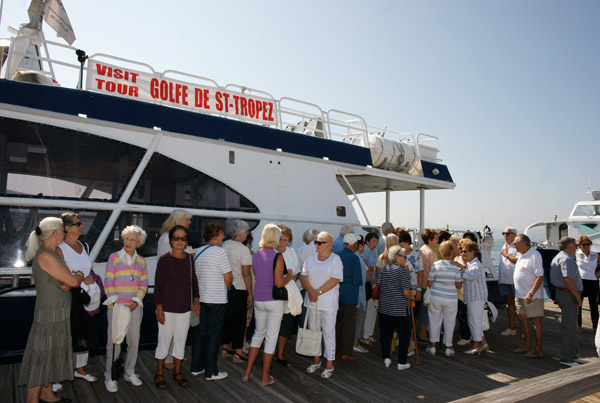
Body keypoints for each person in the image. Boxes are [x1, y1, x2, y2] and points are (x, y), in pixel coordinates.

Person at [19, 217, 84, 403]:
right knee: (40, 358)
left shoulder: (55, 253)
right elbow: (72, 280)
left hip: (60, 313)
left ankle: (47, 394)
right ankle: (32, 400)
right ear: (55, 233)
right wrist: (78, 276)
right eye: (63, 230)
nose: (64, 233)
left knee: (51, 355)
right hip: (49, 315)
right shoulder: (45, 256)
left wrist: (71, 280)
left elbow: (66, 279)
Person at [56, 212, 102, 387]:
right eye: (77, 224)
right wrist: (82, 280)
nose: (82, 226)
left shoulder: (84, 246)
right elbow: (60, 273)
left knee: (84, 331)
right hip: (69, 296)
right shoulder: (60, 248)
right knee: (66, 333)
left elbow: (87, 269)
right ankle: (59, 374)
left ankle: (80, 368)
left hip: (85, 296)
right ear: (67, 228)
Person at [243, 224, 291, 386]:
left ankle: (247, 373)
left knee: (257, 335)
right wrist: (289, 277)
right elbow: (278, 283)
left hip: (259, 299)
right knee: (270, 339)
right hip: (274, 301)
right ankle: (265, 378)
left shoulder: (256, 254)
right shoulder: (278, 256)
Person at [103, 225, 149, 392]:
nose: (129, 242)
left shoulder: (141, 261)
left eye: (133, 240)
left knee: (133, 341)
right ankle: (110, 376)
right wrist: (116, 304)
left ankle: (129, 372)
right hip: (116, 307)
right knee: (114, 342)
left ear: (139, 243)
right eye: (127, 239)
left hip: (134, 307)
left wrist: (136, 302)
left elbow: (143, 284)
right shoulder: (114, 258)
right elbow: (108, 282)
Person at [154, 225, 200, 389]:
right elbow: (158, 286)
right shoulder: (164, 260)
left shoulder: (189, 259)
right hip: (166, 308)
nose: (179, 241)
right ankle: (159, 373)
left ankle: (178, 371)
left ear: (186, 241)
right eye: (176, 238)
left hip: (184, 309)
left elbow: (193, 280)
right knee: (164, 341)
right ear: (171, 240)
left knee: (181, 340)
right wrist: (159, 308)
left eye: (183, 238)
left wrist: (196, 299)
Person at [190, 222, 233, 381]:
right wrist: (228, 288)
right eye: (222, 234)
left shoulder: (197, 252)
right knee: (214, 335)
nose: (223, 237)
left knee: (200, 333)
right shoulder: (220, 252)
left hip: (200, 298)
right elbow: (228, 277)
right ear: (215, 236)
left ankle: (196, 367)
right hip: (216, 299)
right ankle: (211, 372)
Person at [300, 231, 343, 379]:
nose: (316, 245)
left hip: (328, 304)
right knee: (314, 332)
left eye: (320, 242)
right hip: (312, 303)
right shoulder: (310, 258)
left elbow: (336, 279)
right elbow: (303, 275)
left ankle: (329, 363)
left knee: (329, 333)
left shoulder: (336, 260)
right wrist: (310, 291)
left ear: (329, 245)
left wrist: (317, 292)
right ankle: (316, 360)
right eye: (316, 242)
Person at [156, 209, 192, 369]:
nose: (189, 222)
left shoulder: (167, 238)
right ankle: (169, 358)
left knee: (177, 330)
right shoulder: (167, 241)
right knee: (168, 330)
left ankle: (174, 355)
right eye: (187, 220)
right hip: (171, 293)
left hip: (177, 293)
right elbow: (168, 266)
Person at [376, 245, 414, 370]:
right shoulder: (402, 271)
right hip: (400, 309)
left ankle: (386, 357)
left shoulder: (383, 269)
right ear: (397, 257)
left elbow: (374, 285)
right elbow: (406, 292)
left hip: (385, 307)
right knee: (404, 334)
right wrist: (411, 297)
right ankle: (401, 362)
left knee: (386, 334)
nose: (405, 259)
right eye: (404, 257)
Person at [550, 237, 586, 367]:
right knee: (569, 327)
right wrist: (577, 296)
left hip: (564, 293)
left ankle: (573, 356)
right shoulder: (566, 259)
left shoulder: (561, 257)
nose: (577, 247)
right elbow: (568, 279)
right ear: (570, 246)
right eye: (575, 245)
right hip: (567, 294)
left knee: (572, 326)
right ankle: (567, 358)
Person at [221, 220, 253, 363]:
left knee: (226, 318)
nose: (247, 234)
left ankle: (225, 347)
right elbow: (246, 273)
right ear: (240, 233)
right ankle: (238, 352)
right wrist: (250, 293)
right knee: (239, 321)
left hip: (224, 288)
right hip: (239, 288)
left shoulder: (224, 245)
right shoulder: (243, 249)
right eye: (246, 231)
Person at [426, 241, 462, 357]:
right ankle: (448, 347)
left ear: (441, 252)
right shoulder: (455, 267)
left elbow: (430, 282)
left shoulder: (435, 265)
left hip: (436, 296)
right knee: (450, 322)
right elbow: (458, 285)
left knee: (434, 321)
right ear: (452, 253)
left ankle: (432, 346)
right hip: (451, 297)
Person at [512, 234, 544, 358]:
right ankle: (527, 346)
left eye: (516, 243)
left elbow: (540, 276)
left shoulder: (534, 255)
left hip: (531, 296)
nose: (514, 246)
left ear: (524, 243)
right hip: (519, 295)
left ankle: (538, 349)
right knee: (523, 320)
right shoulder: (521, 255)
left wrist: (531, 293)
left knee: (536, 321)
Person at [274, 225, 300, 367]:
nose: (281, 242)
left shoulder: (292, 253)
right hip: (274, 293)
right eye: (280, 239)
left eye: (285, 240)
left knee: (287, 323)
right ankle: (269, 353)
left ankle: (280, 354)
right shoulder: (271, 252)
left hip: (289, 293)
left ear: (289, 241)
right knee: (272, 323)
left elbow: (296, 271)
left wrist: (292, 276)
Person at [335, 233, 363, 360]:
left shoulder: (337, 255)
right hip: (350, 294)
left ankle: (336, 349)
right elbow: (358, 279)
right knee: (349, 323)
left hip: (337, 293)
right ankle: (346, 352)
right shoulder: (354, 258)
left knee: (338, 322)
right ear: (354, 245)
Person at [460, 238, 490, 355]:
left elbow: (471, 276)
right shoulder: (471, 264)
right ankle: (483, 343)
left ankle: (477, 344)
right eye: (462, 251)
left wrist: (460, 268)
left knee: (474, 322)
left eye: (465, 251)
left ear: (473, 252)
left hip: (476, 297)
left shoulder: (475, 265)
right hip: (473, 297)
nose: (463, 254)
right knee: (474, 321)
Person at [418, 229, 439, 342]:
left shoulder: (420, 250)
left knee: (422, 310)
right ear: (430, 240)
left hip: (420, 284)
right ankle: (423, 334)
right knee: (426, 311)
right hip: (428, 286)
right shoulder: (431, 253)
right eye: (435, 239)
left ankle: (421, 333)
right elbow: (434, 272)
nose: (437, 241)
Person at [575, 236, 599, 333]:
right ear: (579, 245)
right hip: (581, 281)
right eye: (583, 244)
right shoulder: (576, 255)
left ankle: (595, 327)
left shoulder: (595, 254)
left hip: (593, 281)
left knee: (594, 305)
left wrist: (598, 273)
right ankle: (579, 325)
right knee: (579, 304)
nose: (586, 246)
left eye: (587, 244)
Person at [498, 227, 519, 337]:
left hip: (515, 280)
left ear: (514, 235)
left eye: (508, 233)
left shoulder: (517, 246)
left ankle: (525, 330)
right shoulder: (503, 246)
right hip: (504, 279)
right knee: (509, 303)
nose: (505, 235)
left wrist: (506, 254)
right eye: (504, 233)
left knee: (520, 305)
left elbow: (518, 260)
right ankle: (512, 327)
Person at [360, 232, 380, 344]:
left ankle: (370, 333)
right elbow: (366, 266)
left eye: (376, 241)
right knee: (368, 311)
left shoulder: (374, 252)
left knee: (373, 311)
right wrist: (375, 269)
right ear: (367, 241)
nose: (375, 243)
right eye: (373, 241)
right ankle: (365, 335)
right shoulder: (366, 252)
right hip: (368, 285)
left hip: (374, 284)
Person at [353, 236, 369, 353]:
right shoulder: (359, 259)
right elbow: (366, 279)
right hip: (359, 294)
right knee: (359, 319)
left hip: (354, 294)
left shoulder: (354, 257)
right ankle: (355, 343)